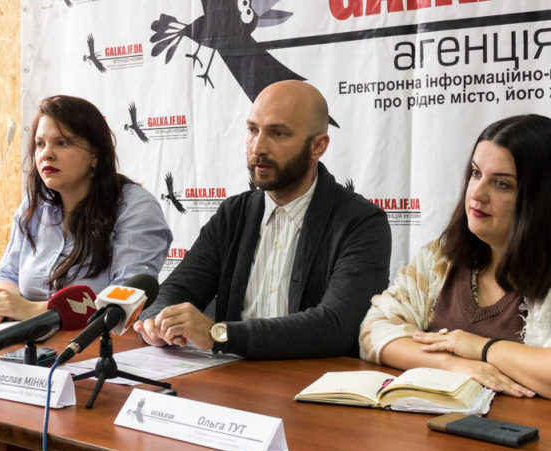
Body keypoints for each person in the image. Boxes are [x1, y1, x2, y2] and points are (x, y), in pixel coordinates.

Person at [360, 114, 551, 451]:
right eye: (476, 173)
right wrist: (454, 364)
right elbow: (374, 331)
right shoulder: (441, 256)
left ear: (544, 197)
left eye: (502, 184)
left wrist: (481, 348)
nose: (476, 193)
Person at [134, 80, 391, 359]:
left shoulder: (361, 222)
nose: (258, 148)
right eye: (253, 130)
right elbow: (178, 288)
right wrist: (158, 322)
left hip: (312, 379)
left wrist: (218, 334)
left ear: (318, 146)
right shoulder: (233, 213)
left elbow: (336, 326)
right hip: (232, 375)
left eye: (278, 133)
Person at [0, 95, 172, 326]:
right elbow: (8, 273)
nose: (46, 154)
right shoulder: (34, 204)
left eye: (62, 143)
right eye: (40, 144)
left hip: (100, 341)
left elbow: (127, 299)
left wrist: (35, 310)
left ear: (95, 155)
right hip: (27, 335)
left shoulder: (135, 207)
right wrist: (3, 306)